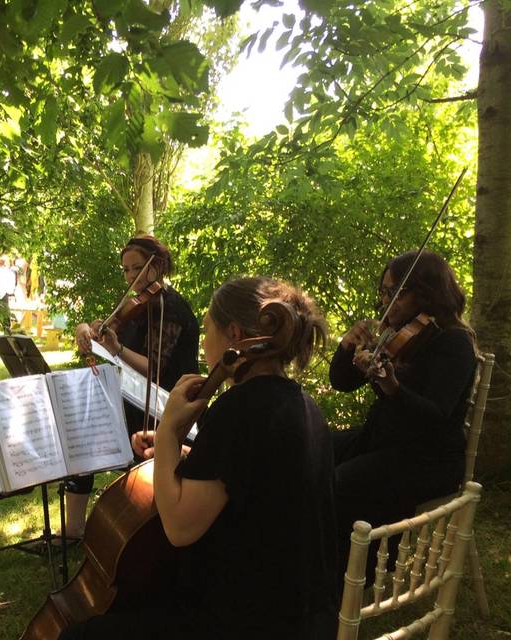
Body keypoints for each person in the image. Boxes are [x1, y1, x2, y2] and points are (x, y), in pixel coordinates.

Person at [60, 277, 336, 640]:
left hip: (246, 621)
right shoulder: (303, 405)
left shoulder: (240, 408)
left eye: (208, 331)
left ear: (233, 335)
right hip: (304, 614)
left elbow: (178, 528)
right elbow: (248, 476)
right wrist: (183, 453)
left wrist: (172, 432)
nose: (204, 342)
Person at [330, 251, 476, 578]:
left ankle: (345, 575)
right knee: (313, 446)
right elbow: (340, 383)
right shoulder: (394, 333)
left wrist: (393, 388)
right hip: (384, 438)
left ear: (426, 292)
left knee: (341, 482)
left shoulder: (454, 343)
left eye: (396, 292)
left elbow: (436, 416)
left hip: (429, 457)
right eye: (383, 291)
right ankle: (310, 555)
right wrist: (347, 347)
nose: (386, 301)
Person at [65, 235, 200, 537]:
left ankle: (125, 529)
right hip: (138, 397)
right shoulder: (137, 305)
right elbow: (105, 334)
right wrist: (86, 329)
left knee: (89, 431)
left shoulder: (172, 309)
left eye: (137, 268)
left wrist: (119, 350)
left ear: (159, 266)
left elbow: (156, 369)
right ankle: (73, 528)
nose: (130, 277)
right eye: (125, 270)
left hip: (168, 406)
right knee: (82, 429)